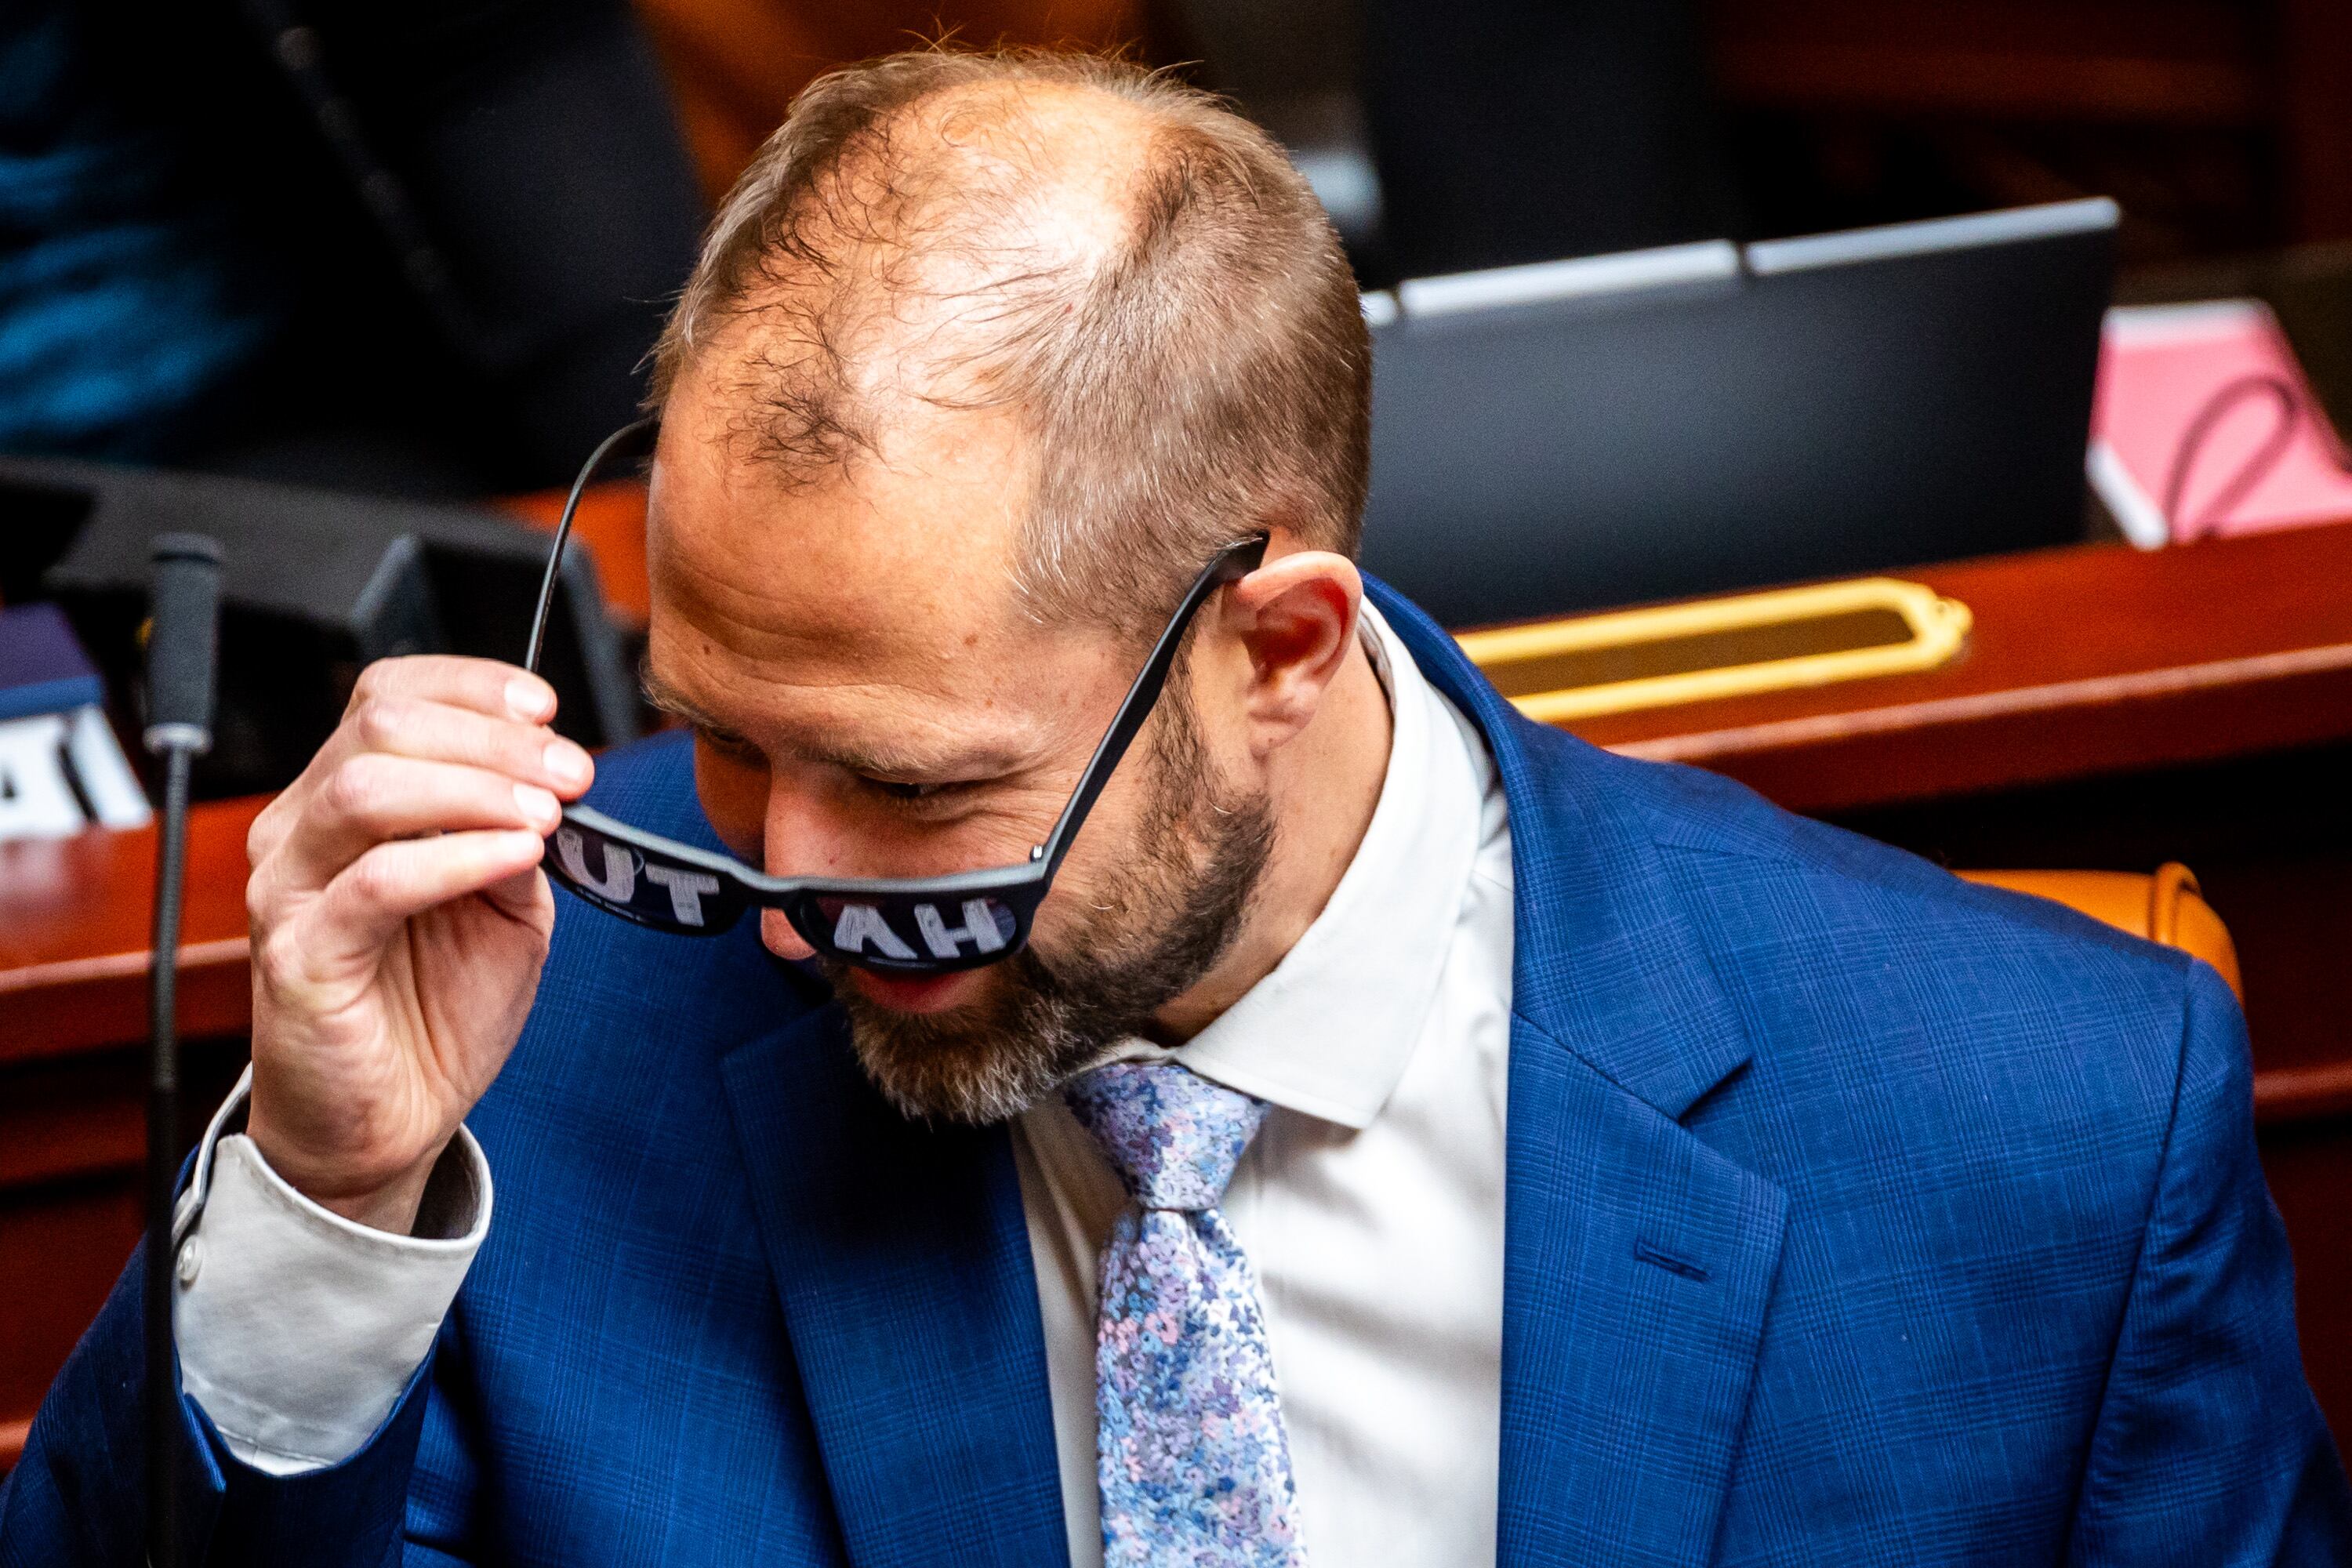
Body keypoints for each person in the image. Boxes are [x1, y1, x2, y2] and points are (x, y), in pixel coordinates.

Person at [4, 47, 2346, 1568]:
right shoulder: (540, 1044)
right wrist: (322, 1197)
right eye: (726, 737)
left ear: (1282, 648)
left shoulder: (2040, 1138)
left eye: (922, 794)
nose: (783, 908)